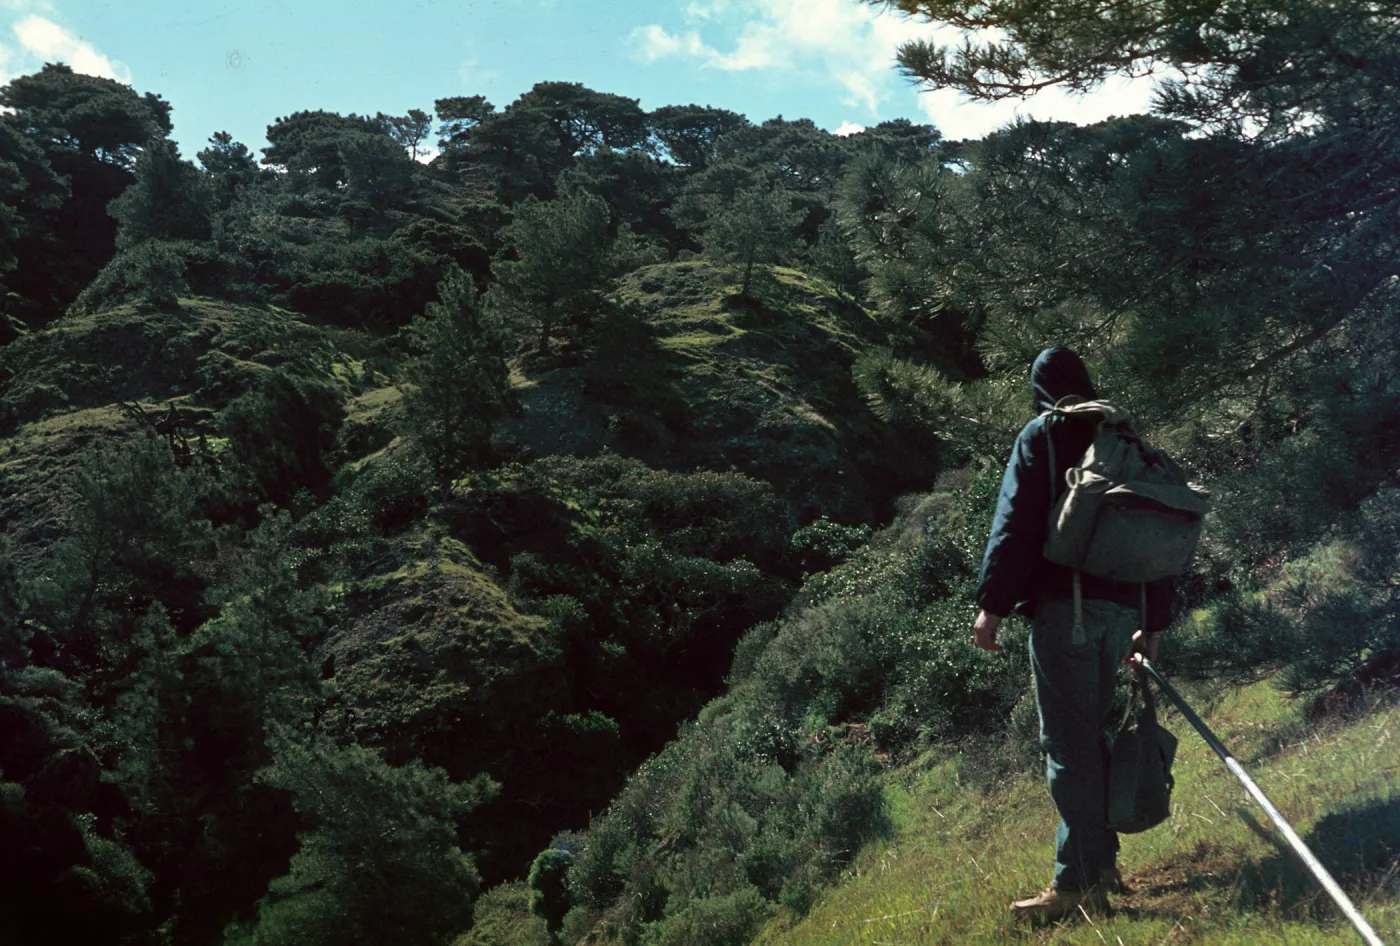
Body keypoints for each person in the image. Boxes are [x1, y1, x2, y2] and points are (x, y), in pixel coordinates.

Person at [972, 346, 1172, 923]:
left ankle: (1077, 884)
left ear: (1039, 388)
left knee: (1069, 747)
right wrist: (1152, 624)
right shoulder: (1121, 436)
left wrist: (992, 607)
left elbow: (1014, 523)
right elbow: (1154, 536)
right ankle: (1102, 865)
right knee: (1090, 739)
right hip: (1121, 616)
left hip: (1069, 617)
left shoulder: (1045, 433)